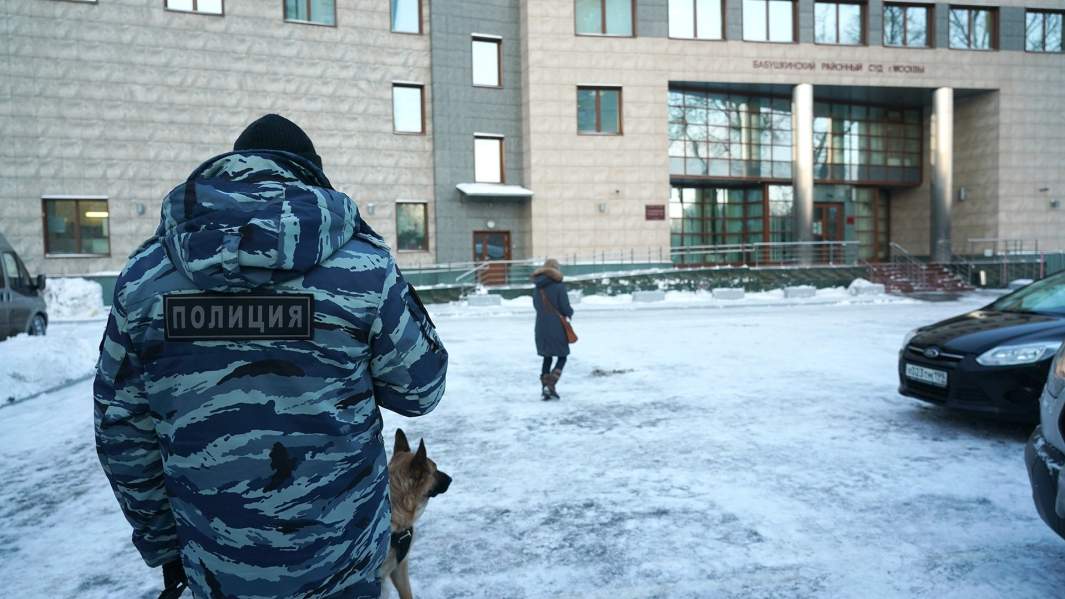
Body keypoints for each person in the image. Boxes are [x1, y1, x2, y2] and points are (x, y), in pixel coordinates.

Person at [93, 114, 448, 599]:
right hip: (341, 562)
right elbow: (421, 389)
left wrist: (164, 545)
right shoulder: (362, 265)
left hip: (219, 563)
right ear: (312, 177)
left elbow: (121, 433)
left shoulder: (145, 276)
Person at [531, 258, 574, 400]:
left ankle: (545, 387)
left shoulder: (537, 286)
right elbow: (564, 306)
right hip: (556, 325)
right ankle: (551, 384)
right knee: (563, 356)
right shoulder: (558, 285)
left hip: (541, 326)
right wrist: (569, 313)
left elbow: (536, 306)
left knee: (547, 357)